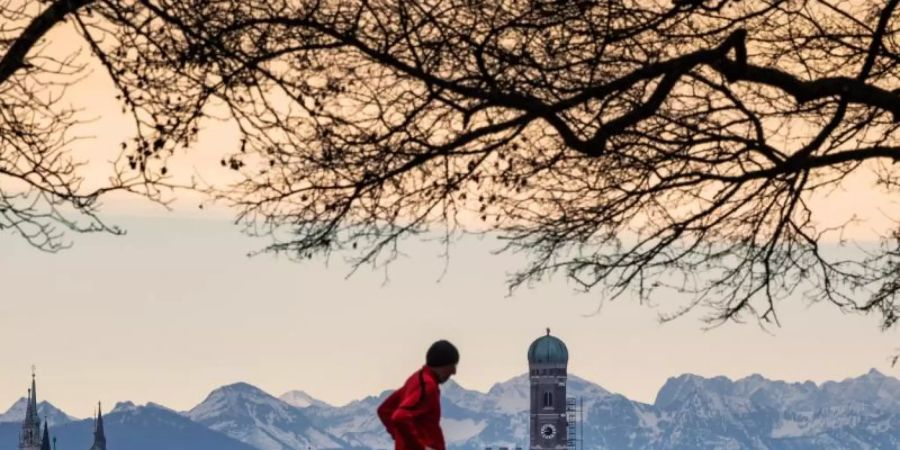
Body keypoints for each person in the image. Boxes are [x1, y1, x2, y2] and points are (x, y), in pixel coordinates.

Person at [377, 340, 459, 450]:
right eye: (452, 366)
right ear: (443, 365)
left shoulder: (417, 379)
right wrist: (418, 447)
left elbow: (385, 410)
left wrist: (402, 439)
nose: (454, 372)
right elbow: (399, 417)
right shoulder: (427, 386)